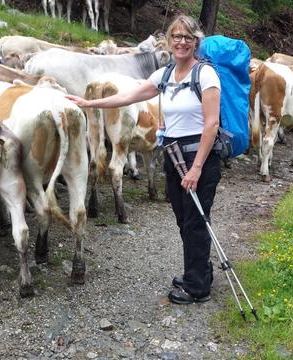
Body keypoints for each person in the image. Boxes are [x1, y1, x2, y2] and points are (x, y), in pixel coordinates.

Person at [65, 15, 221, 305]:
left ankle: (197, 287)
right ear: (169, 41)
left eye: (187, 37)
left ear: (196, 42)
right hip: (173, 155)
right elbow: (128, 96)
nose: (181, 42)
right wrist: (89, 103)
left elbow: (211, 124)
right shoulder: (166, 74)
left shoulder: (205, 75)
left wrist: (197, 168)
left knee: (196, 221)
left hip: (199, 155)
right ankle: (198, 271)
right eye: (176, 37)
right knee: (183, 219)